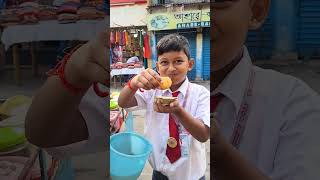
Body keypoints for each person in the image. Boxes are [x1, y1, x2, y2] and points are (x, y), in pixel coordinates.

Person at [212, 0, 320, 179]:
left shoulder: (296, 107)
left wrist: (223, 160)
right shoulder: (167, 97)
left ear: (256, 10)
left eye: (217, 2)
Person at [118, 34, 210, 180]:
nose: (171, 68)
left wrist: (178, 111)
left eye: (178, 61)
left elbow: (203, 135)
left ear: (190, 64)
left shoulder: (201, 94)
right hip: (160, 174)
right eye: (165, 62)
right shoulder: (151, 91)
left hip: (191, 175)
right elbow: (123, 103)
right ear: (158, 66)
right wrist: (133, 83)